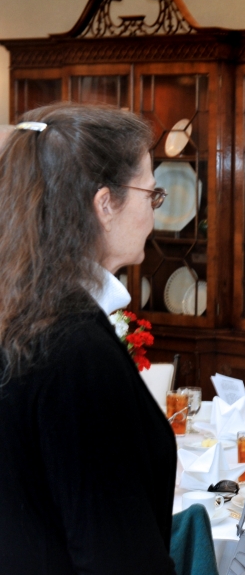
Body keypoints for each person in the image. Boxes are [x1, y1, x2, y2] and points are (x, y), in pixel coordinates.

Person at [0, 104, 177, 574]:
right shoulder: (77, 351)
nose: (153, 216)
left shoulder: (21, 313)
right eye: (151, 195)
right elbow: (114, 553)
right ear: (105, 205)